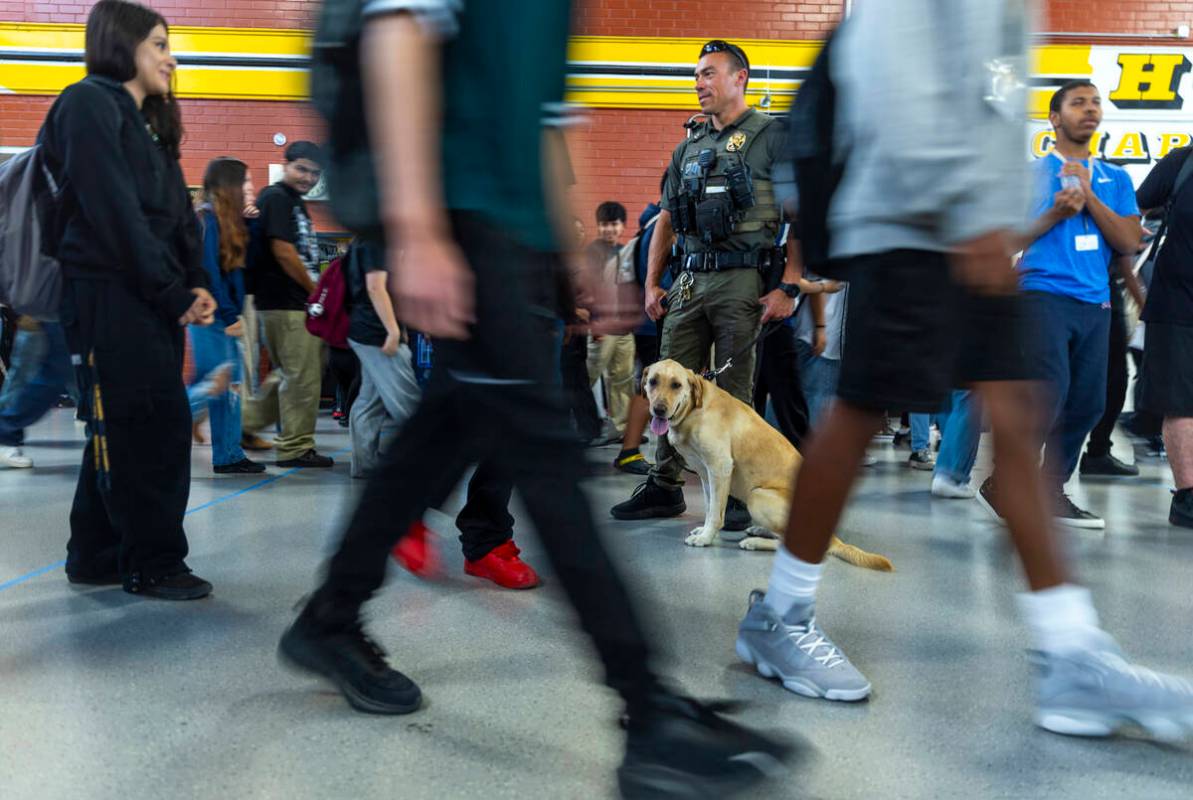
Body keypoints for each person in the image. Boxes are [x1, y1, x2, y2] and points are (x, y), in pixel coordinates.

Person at [280, 3, 794, 793]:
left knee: (439, 436)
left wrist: (569, 261)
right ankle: (647, 711)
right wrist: (416, 229)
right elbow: (396, 32)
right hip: (465, 226)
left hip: (512, 239)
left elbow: (543, 125)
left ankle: (328, 617)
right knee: (548, 461)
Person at [735, 1, 1193, 740]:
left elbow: (988, 112)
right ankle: (779, 615)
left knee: (1018, 420)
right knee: (856, 419)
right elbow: (888, 83)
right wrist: (961, 216)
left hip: (976, 239)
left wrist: (995, 221)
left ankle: (1070, 654)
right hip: (904, 227)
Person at [40, 0, 215, 599]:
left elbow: (179, 217)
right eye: (159, 45)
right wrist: (172, 293)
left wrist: (196, 283)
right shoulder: (88, 103)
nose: (171, 58)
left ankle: (94, 554)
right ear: (124, 45)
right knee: (150, 426)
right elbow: (111, 213)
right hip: (106, 295)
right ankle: (153, 563)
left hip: (149, 296)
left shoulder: (151, 121)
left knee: (125, 424)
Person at [612, 39, 803, 533]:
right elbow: (667, 221)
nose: (699, 82)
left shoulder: (772, 137)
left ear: (740, 78)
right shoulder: (688, 146)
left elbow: (800, 215)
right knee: (668, 381)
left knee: (734, 392)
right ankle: (664, 484)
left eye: (710, 73)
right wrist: (652, 284)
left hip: (743, 277)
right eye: (696, 74)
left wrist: (790, 285)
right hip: (690, 279)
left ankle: (738, 494)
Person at [980, 80, 1142, 530]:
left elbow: (1128, 241)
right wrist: (1054, 213)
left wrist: (1088, 198)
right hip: (1042, 296)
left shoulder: (1116, 178)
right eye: (1078, 103)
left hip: (1096, 302)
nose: (1090, 110)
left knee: (1090, 402)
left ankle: (1049, 489)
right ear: (1055, 117)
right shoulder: (1029, 176)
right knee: (1046, 395)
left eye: (1095, 103)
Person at [344, 240, 541, 589]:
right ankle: (421, 513)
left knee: (513, 424)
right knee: (467, 414)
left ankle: (480, 535)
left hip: (524, 294)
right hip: (468, 290)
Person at [241, 140, 335, 468]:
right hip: (288, 301)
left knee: (288, 374)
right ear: (286, 165)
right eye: (302, 169)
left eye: (314, 173)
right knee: (301, 377)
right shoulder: (277, 198)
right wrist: (314, 292)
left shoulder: (292, 201)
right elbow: (283, 250)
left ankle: (245, 424)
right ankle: (295, 447)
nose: (308, 177)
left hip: (287, 302)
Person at [187, 157, 265, 474]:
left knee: (228, 385)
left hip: (223, 314)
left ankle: (229, 454)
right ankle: (152, 425)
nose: (251, 187)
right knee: (215, 384)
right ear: (229, 185)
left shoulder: (228, 222)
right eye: (246, 181)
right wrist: (231, 316)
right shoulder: (206, 219)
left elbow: (246, 267)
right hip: (212, 317)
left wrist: (253, 225)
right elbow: (208, 275)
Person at [1136, 143, 1193, 527]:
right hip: (1178, 302)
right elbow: (1131, 212)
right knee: (1180, 402)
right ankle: (1188, 497)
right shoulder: (1181, 163)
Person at [585, 201, 637, 438]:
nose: (609, 230)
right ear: (598, 226)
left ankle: (620, 429)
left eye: (614, 225)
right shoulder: (591, 253)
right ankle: (575, 425)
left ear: (622, 226)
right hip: (600, 327)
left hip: (623, 329)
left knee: (622, 378)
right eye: (604, 225)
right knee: (587, 376)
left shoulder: (624, 252)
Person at [0, 317, 72, 469]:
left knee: (59, 373)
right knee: (51, 375)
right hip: (45, 311)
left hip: (49, 310)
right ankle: (4, 433)